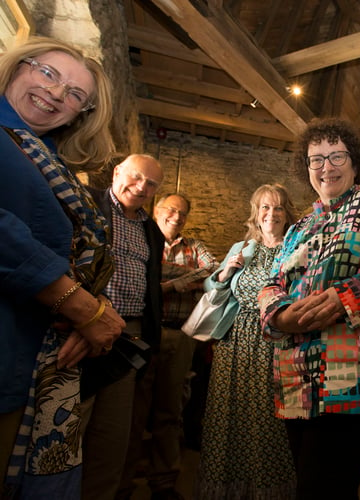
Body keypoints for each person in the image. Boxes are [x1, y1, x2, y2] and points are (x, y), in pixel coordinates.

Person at [258, 118, 360, 499]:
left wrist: (343, 298)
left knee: (322, 490)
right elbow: (271, 284)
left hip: (352, 379)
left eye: (336, 156)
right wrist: (280, 316)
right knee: (308, 484)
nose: (326, 167)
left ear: (355, 162)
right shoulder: (300, 226)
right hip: (295, 381)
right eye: (315, 159)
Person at [0, 36, 124, 499]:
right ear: (16, 66)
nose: (56, 94)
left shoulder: (49, 158)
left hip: (37, 359)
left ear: (80, 116)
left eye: (75, 95)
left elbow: (78, 255)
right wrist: (79, 307)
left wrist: (89, 307)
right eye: (48, 74)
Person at [196, 184, 298, 499]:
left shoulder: (295, 248)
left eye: (278, 207)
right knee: (229, 418)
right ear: (256, 213)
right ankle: (228, 490)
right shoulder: (243, 247)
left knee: (270, 421)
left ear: (287, 214)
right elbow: (213, 292)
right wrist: (224, 273)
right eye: (265, 207)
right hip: (234, 344)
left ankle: (269, 490)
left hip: (276, 342)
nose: (272, 214)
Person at [117, 193, 218, 500]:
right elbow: (140, 280)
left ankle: (163, 483)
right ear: (158, 211)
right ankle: (123, 485)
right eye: (172, 210)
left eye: (183, 213)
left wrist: (160, 280)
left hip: (180, 335)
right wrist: (175, 283)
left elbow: (213, 271)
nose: (177, 216)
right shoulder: (144, 240)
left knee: (170, 412)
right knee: (133, 413)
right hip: (144, 335)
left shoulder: (194, 247)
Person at [80, 153, 165, 500]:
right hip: (81, 329)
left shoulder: (150, 229)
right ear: (117, 172)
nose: (142, 187)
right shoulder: (89, 206)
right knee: (71, 426)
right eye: (136, 177)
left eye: (151, 184)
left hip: (128, 338)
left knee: (112, 437)